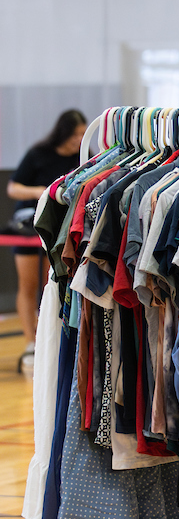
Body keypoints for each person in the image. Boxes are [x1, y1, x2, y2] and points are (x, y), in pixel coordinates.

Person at [8, 109, 87, 372]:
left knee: (49, 285)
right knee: (28, 285)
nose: (80, 138)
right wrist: (41, 192)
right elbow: (12, 187)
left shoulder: (83, 157)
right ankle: (30, 342)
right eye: (76, 133)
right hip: (29, 226)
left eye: (82, 133)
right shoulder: (38, 154)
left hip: (56, 228)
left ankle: (46, 338)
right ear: (64, 132)